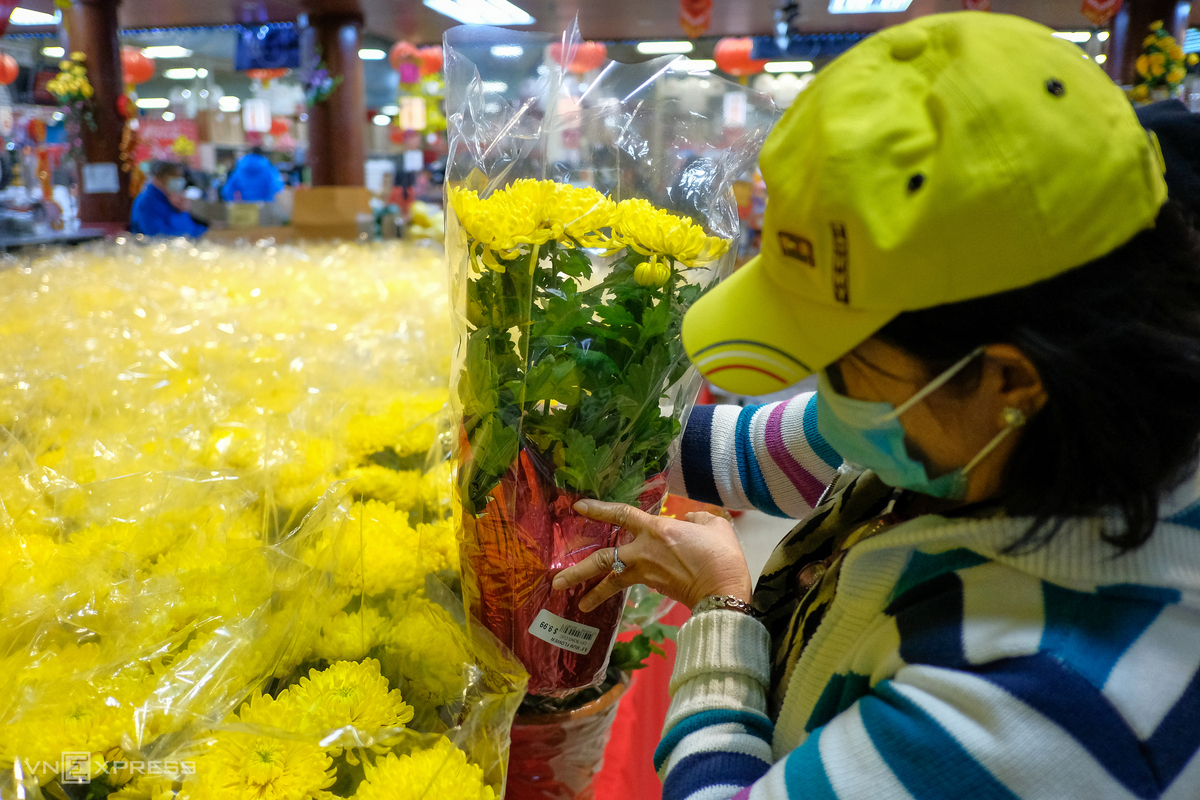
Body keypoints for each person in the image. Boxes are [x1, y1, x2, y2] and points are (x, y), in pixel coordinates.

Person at [554, 13, 1200, 799]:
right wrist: (567, 429)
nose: (824, 396)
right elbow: (786, 453)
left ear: (1008, 380)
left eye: (841, 366)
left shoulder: (1045, 708)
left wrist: (725, 614)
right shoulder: (1012, 427)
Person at [129, 160, 207, 237]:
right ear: (158, 177)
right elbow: (156, 235)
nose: (179, 179)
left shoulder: (169, 197)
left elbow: (189, 227)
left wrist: (204, 233)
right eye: (174, 175)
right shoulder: (146, 202)